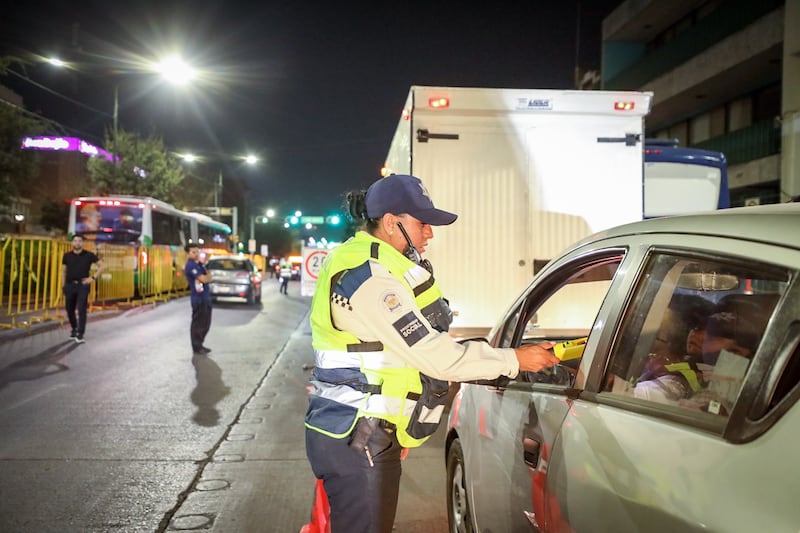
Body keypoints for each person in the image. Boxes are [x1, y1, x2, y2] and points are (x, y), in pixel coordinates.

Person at [303, 174, 559, 533]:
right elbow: (434, 354)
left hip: (357, 430)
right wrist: (516, 360)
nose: (430, 233)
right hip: (359, 436)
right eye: (423, 223)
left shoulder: (375, 264)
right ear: (392, 223)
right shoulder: (370, 276)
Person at [61, 234, 103, 343]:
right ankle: (74, 328)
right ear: (72, 243)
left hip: (83, 285)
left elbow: (102, 266)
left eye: (79, 241)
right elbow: (63, 271)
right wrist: (63, 285)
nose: (77, 243)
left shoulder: (89, 255)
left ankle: (80, 333)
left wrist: (92, 278)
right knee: (69, 309)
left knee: (81, 309)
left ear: (82, 243)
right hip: (70, 285)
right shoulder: (67, 256)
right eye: (75, 241)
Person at [184, 243, 213, 355]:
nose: (196, 254)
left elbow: (209, 276)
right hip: (198, 298)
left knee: (206, 323)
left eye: (197, 252)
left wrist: (207, 277)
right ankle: (196, 346)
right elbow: (204, 279)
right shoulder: (191, 266)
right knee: (198, 323)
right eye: (193, 252)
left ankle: (200, 344)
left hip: (205, 297)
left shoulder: (200, 264)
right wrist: (206, 277)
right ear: (188, 253)